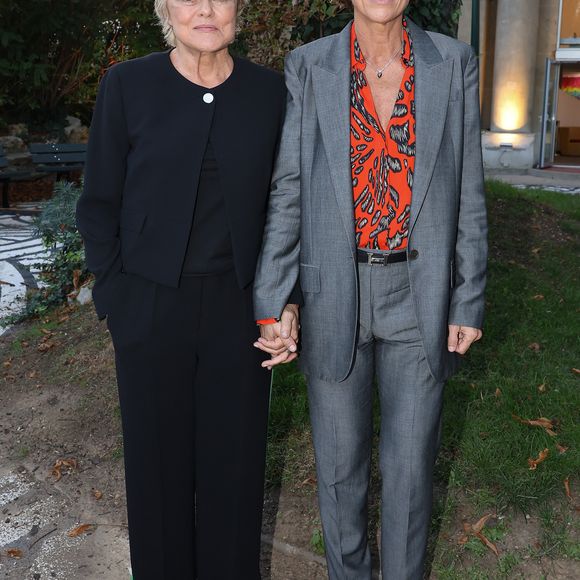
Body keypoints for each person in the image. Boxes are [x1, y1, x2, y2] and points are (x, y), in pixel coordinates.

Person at [253, 0, 488, 578]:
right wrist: (274, 298)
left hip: (421, 295)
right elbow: (290, 187)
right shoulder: (309, 65)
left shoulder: (453, 63)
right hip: (334, 289)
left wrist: (467, 295)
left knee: (410, 475)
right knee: (339, 473)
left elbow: (470, 190)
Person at [76, 0, 293, 578]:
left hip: (239, 313)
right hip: (148, 309)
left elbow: (288, 208)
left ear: (238, 10)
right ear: (165, 9)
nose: (204, 8)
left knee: (235, 476)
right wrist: (117, 300)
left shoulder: (271, 94)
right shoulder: (128, 85)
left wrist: (287, 299)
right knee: (157, 479)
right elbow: (98, 204)